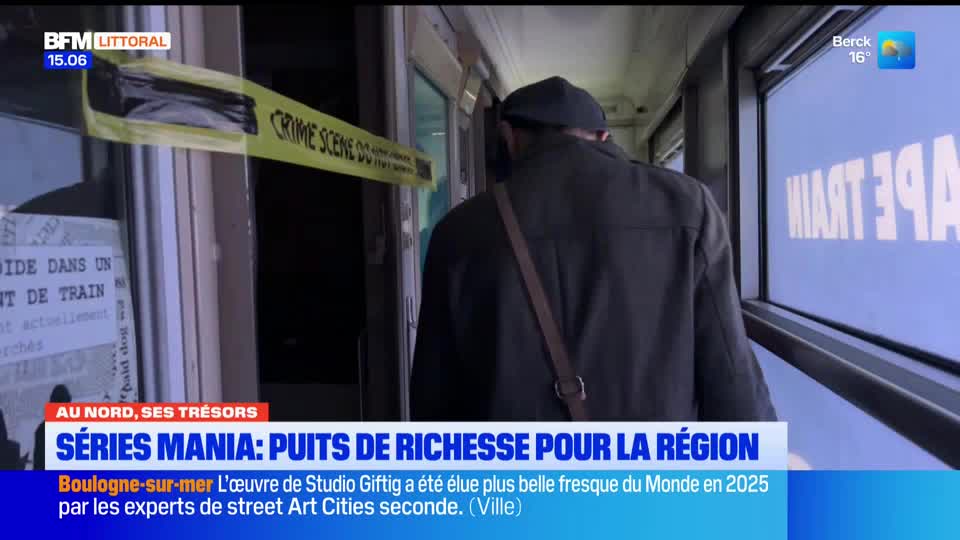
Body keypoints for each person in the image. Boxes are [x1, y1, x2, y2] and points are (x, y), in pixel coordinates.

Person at [410, 76, 776, 422]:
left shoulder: (456, 233)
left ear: (508, 137)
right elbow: (732, 377)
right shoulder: (688, 205)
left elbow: (434, 400)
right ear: (602, 137)